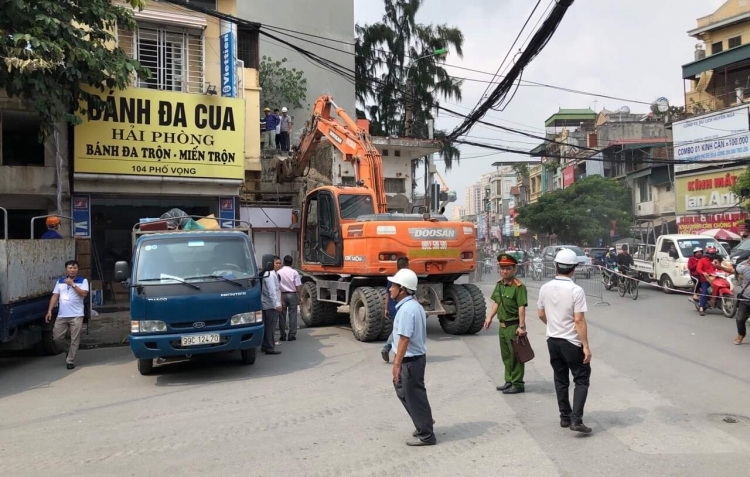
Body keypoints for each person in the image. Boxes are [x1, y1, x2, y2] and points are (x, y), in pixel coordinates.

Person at [537, 248, 592, 434]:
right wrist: (585, 345)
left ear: (555, 266)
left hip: (552, 340)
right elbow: (579, 320)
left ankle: (564, 417)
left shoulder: (545, 287)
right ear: (574, 268)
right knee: (581, 379)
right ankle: (576, 420)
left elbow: (540, 313)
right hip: (571, 342)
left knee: (560, 379)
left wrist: (553, 324)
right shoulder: (576, 290)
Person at [389, 268, 436, 446]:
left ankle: (427, 435)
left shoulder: (408, 309)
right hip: (413, 359)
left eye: (393, 286)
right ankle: (423, 420)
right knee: (403, 390)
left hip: (411, 361)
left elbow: (404, 339)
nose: (390, 289)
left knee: (415, 395)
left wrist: (396, 364)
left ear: (402, 289)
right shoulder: (412, 305)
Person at [484, 253, 528, 395]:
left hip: (513, 326)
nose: (504, 271)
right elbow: (496, 302)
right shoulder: (500, 285)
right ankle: (509, 380)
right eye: (502, 268)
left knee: (516, 356)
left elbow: (521, 307)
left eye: (508, 268)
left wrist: (521, 327)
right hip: (502, 326)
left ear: (514, 269)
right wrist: (489, 317)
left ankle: (518, 383)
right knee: (506, 356)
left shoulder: (518, 287)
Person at [45, 260, 89, 369]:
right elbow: (55, 296)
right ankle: (69, 350)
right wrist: (50, 310)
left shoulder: (83, 281)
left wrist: (72, 284)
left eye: (74, 268)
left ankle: (70, 360)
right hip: (62, 315)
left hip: (77, 314)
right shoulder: (60, 281)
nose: (72, 270)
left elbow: (84, 294)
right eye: (70, 268)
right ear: (66, 269)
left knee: (75, 338)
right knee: (57, 338)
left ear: (78, 269)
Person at [381, 257, 410, 362]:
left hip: (393, 309)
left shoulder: (393, 278)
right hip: (402, 308)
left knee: (396, 330)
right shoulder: (407, 279)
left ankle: (389, 349)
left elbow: (388, 295)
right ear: (407, 266)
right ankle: (392, 350)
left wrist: (386, 309)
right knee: (401, 332)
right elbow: (412, 295)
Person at [697, 246, 734, 315]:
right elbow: (698, 269)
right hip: (706, 279)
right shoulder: (702, 260)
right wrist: (703, 273)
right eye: (711, 254)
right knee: (704, 292)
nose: (712, 256)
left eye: (714, 254)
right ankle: (701, 307)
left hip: (716, 278)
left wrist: (726, 269)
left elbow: (722, 266)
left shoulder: (716, 260)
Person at [261, 256, 282, 355]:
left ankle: (265, 345)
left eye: (279, 263)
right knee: (270, 328)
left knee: (268, 327)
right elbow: (272, 291)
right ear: (271, 264)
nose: (278, 265)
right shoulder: (269, 274)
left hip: (269, 304)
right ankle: (269, 347)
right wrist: (277, 304)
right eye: (276, 263)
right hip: (270, 305)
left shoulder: (274, 274)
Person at [277, 255, 302, 342]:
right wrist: (300, 296)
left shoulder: (279, 272)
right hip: (292, 295)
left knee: (282, 315)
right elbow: (297, 286)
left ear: (283, 263)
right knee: (293, 315)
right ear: (292, 263)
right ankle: (291, 335)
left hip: (282, 295)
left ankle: (282, 335)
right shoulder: (294, 272)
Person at [733, 257, 750, 345]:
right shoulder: (745, 268)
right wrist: (746, 261)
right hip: (745, 298)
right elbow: (738, 267)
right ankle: (741, 335)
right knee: (739, 319)